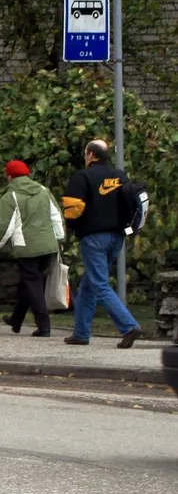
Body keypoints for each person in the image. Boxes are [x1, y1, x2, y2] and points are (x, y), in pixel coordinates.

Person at [61, 140, 143, 347]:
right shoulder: (120, 176)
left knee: (99, 284)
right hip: (116, 237)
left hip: (93, 237)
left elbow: (73, 209)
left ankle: (129, 326)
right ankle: (81, 334)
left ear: (90, 154)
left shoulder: (83, 177)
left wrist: (74, 227)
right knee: (89, 284)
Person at [0, 160, 63, 338]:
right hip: (49, 245)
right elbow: (56, 216)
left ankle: (44, 326)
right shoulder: (43, 191)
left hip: (26, 248)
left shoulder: (10, 197)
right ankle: (16, 319)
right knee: (28, 282)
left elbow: (4, 227)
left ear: (9, 176)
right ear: (27, 174)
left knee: (33, 285)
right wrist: (60, 238)